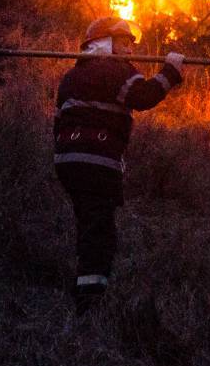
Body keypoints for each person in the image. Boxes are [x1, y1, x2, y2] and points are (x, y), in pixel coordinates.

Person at [54, 17, 186, 315]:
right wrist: (171, 71)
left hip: (67, 162)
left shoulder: (70, 77)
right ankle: (90, 304)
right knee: (100, 233)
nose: (130, 49)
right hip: (97, 162)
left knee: (89, 224)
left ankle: (84, 288)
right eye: (124, 43)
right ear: (104, 43)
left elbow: (57, 122)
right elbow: (144, 96)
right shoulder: (116, 70)